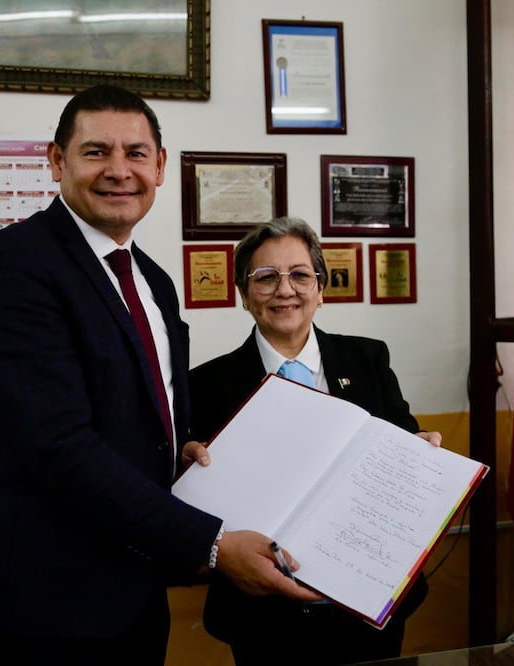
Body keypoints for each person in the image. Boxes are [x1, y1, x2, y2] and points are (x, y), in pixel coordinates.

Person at [0, 86, 317, 665]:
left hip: (134, 589)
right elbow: (57, 445)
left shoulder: (153, 281)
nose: (119, 171)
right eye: (96, 152)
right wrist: (212, 544)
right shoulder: (13, 264)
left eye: (137, 154)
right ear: (56, 161)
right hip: (48, 602)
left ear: (161, 166)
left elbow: (147, 419)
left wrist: (182, 452)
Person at [188, 216, 442, 665]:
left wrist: (421, 452)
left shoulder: (367, 358)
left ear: (320, 289)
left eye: (300, 275)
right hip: (262, 617)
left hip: (368, 604)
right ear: (244, 296)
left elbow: (403, 439)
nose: (285, 290)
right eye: (265, 278)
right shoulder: (205, 384)